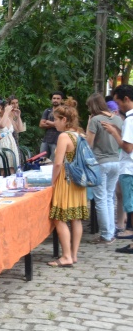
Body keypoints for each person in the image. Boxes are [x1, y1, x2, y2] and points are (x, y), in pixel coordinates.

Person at [48, 98, 89, 267]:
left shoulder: (64, 136)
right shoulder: (81, 135)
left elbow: (58, 163)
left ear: (64, 120)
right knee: (76, 218)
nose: (54, 123)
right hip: (79, 181)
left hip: (66, 181)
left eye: (56, 119)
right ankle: (73, 254)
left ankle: (65, 256)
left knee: (59, 218)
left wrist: (52, 181)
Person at [85, 93, 123, 244]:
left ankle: (106, 235)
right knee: (109, 198)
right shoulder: (118, 119)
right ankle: (111, 232)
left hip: (100, 162)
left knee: (100, 199)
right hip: (116, 161)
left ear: (93, 106)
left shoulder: (95, 120)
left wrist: (88, 125)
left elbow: (89, 144)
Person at [102, 84, 133, 254]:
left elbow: (127, 148)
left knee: (131, 206)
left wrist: (114, 133)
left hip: (129, 168)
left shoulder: (130, 119)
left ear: (126, 99)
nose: (118, 107)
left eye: (118, 102)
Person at [0, 101, 21, 172]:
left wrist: (18, 116)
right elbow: (2, 125)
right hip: (1, 143)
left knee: (13, 167)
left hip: (11, 143)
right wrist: (6, 112)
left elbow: (19, 129)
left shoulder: (9, 118)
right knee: (3, 168)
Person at [39, 91, 65, 159]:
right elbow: (41, 124)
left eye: (58, 98)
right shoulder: (47, 111)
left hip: (57, 141)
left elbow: (64, 125)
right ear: (51, 99)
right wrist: (55, 124)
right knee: (41, 160)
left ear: (61, 100)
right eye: (54, 98)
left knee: (54, 161)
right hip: (46, 140)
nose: (55, 100)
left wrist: (48, 122)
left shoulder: (64, 111)